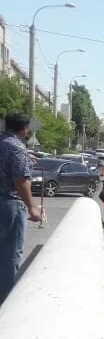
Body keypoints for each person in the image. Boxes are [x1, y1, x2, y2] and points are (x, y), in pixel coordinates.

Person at [0, 113, 43, 303]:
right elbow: (21, 180)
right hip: (9, 204)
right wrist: (32, 207)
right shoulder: (17, 148)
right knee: (10, 253)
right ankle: (7, 301)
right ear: (24, 129)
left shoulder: (3, 142)